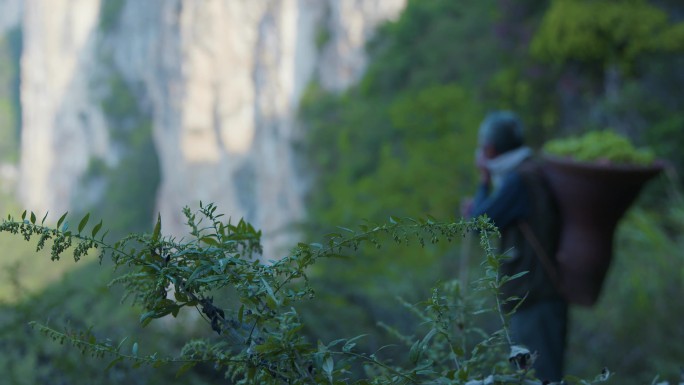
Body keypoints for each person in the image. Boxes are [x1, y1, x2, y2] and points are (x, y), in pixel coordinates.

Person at [462, 111, 568, 382]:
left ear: (490, 148)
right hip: (543, 293)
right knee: (537, 374)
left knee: (536, 377)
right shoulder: (531, 171)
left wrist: (483, 183)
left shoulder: (519, 180)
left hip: (533, 297)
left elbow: (478, 224)